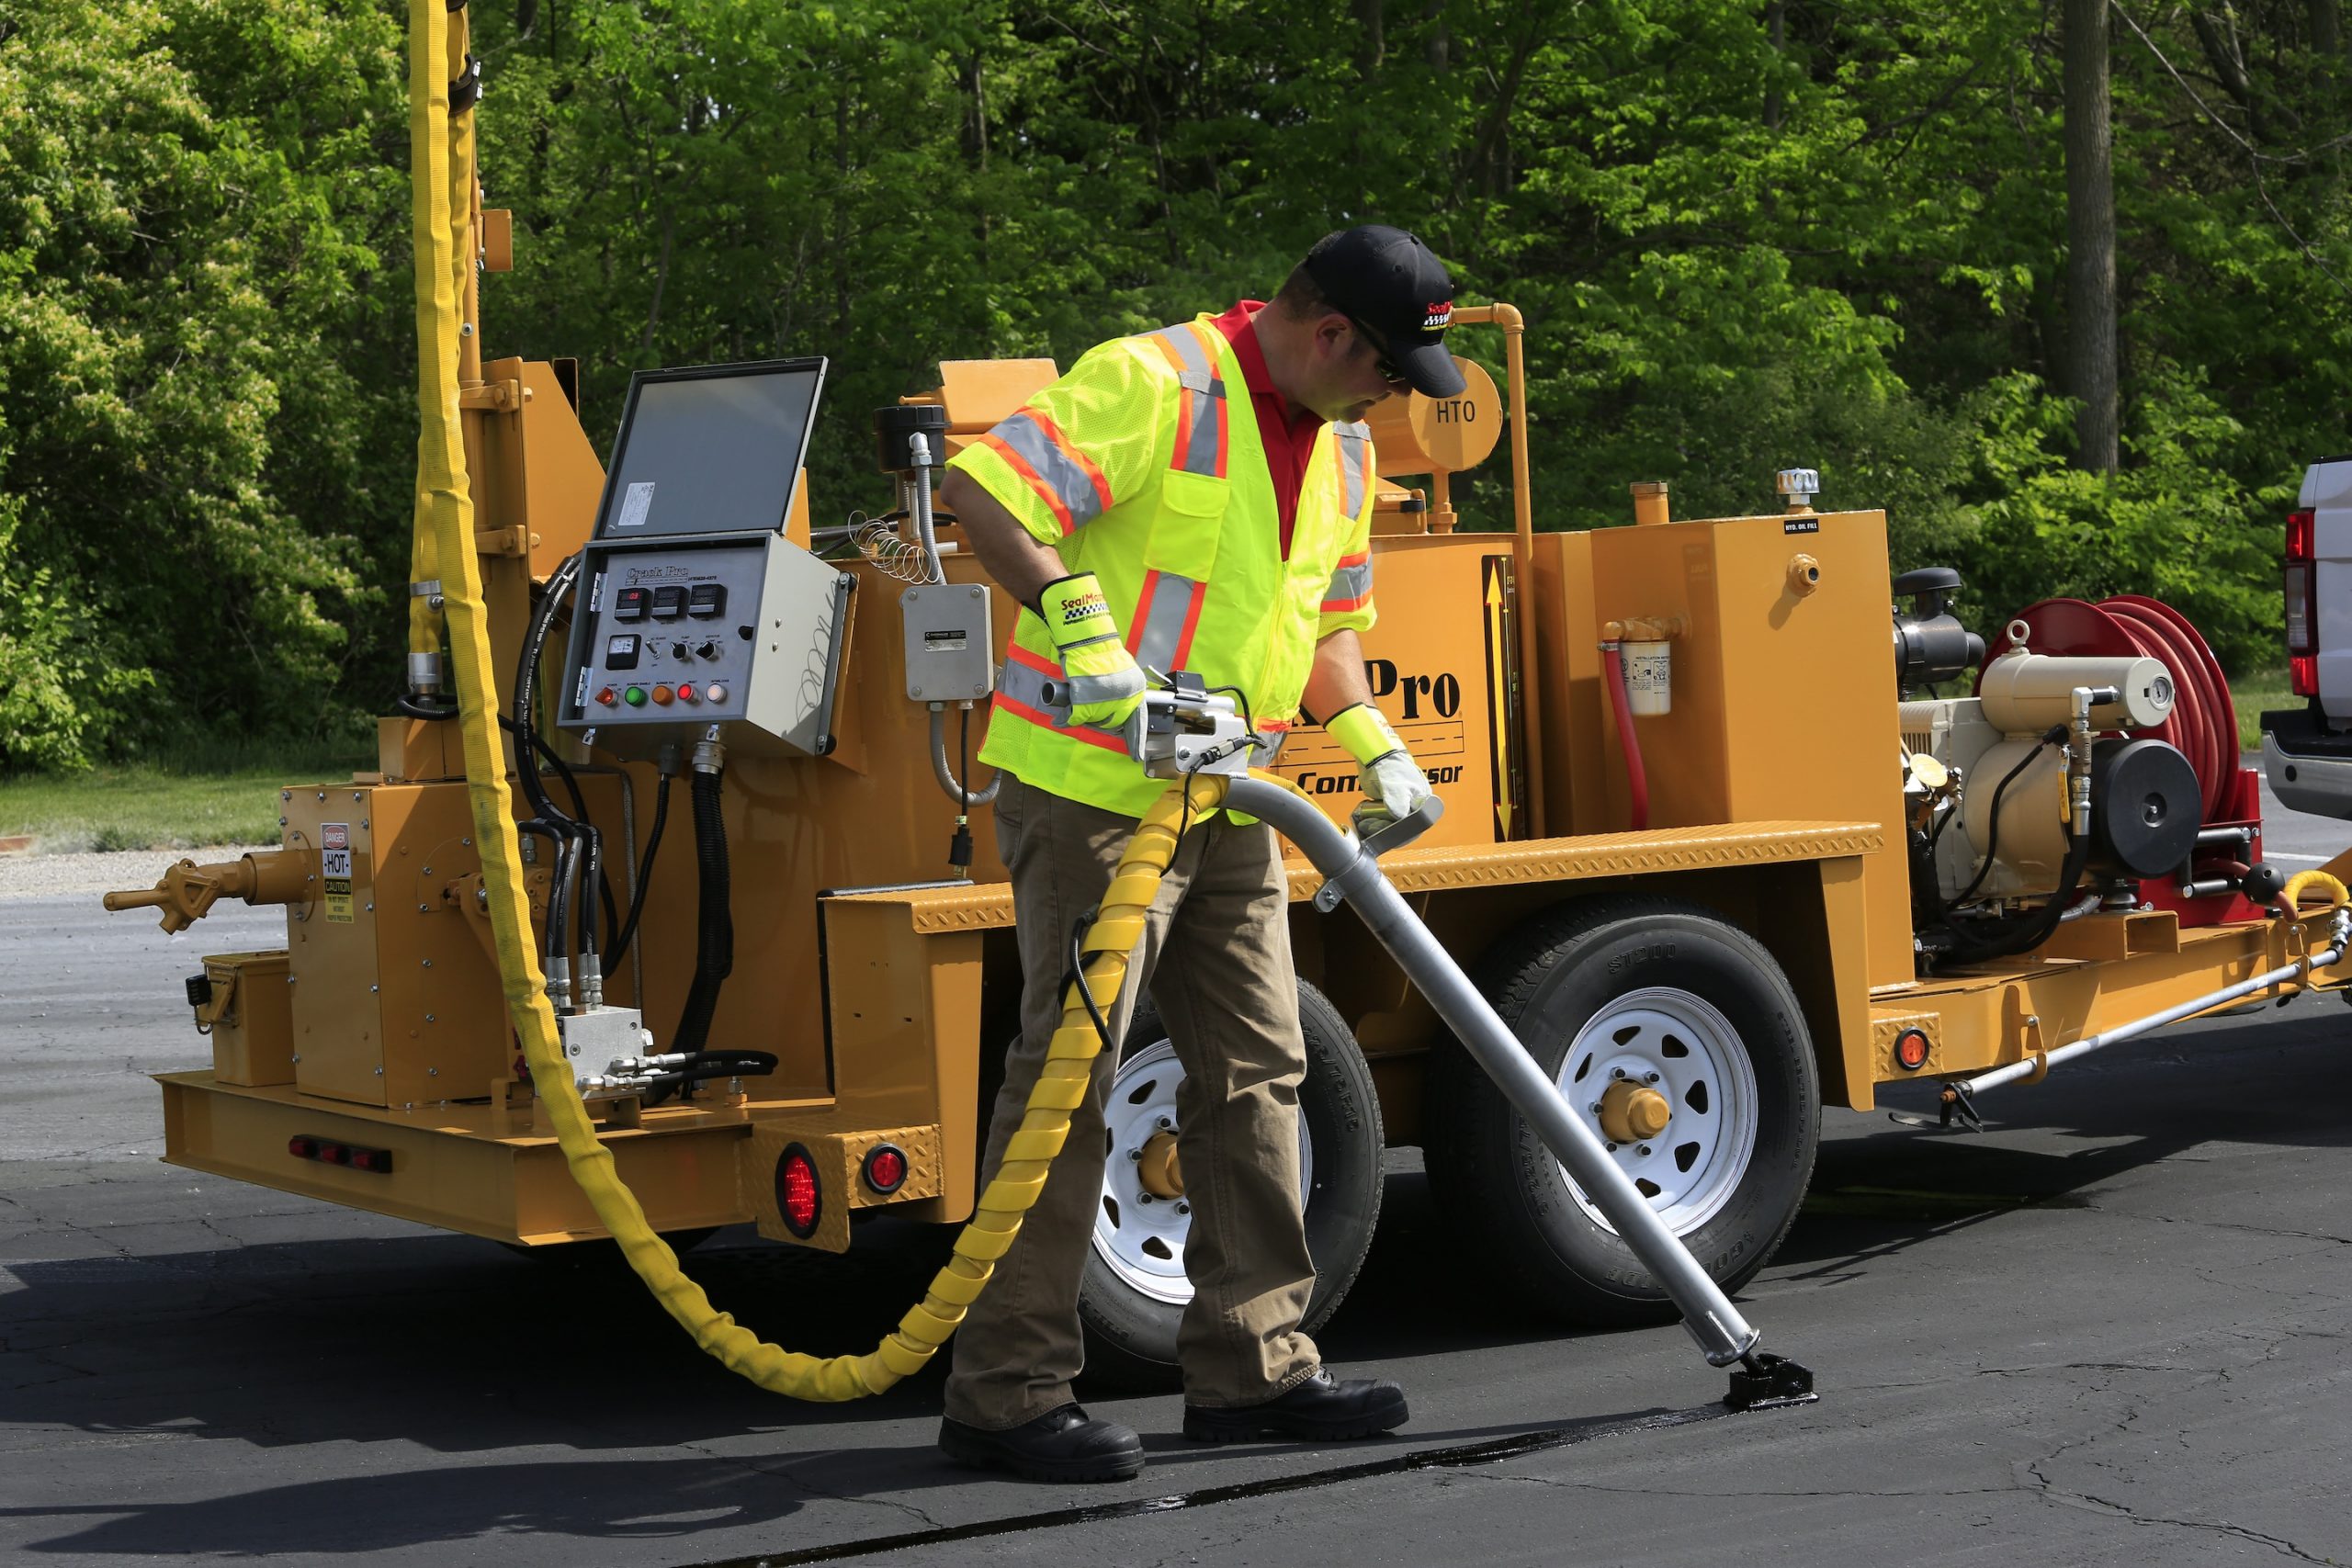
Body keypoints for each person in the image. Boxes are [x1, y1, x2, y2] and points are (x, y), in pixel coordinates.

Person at [933, 225, 1463, 1483]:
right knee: (1070, 1078)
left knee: (1259, 1071)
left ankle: (1251, 1367)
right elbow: (988, 492)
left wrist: (1372, 737)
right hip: (1092, 794)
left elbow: (1329, 621)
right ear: (1330, 333)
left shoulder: (1339, 443)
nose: (1394, 399)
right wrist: (1090, 643)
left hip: (1227, 800)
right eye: (1388, 371)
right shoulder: (1155, 383)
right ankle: (1005, 1393)